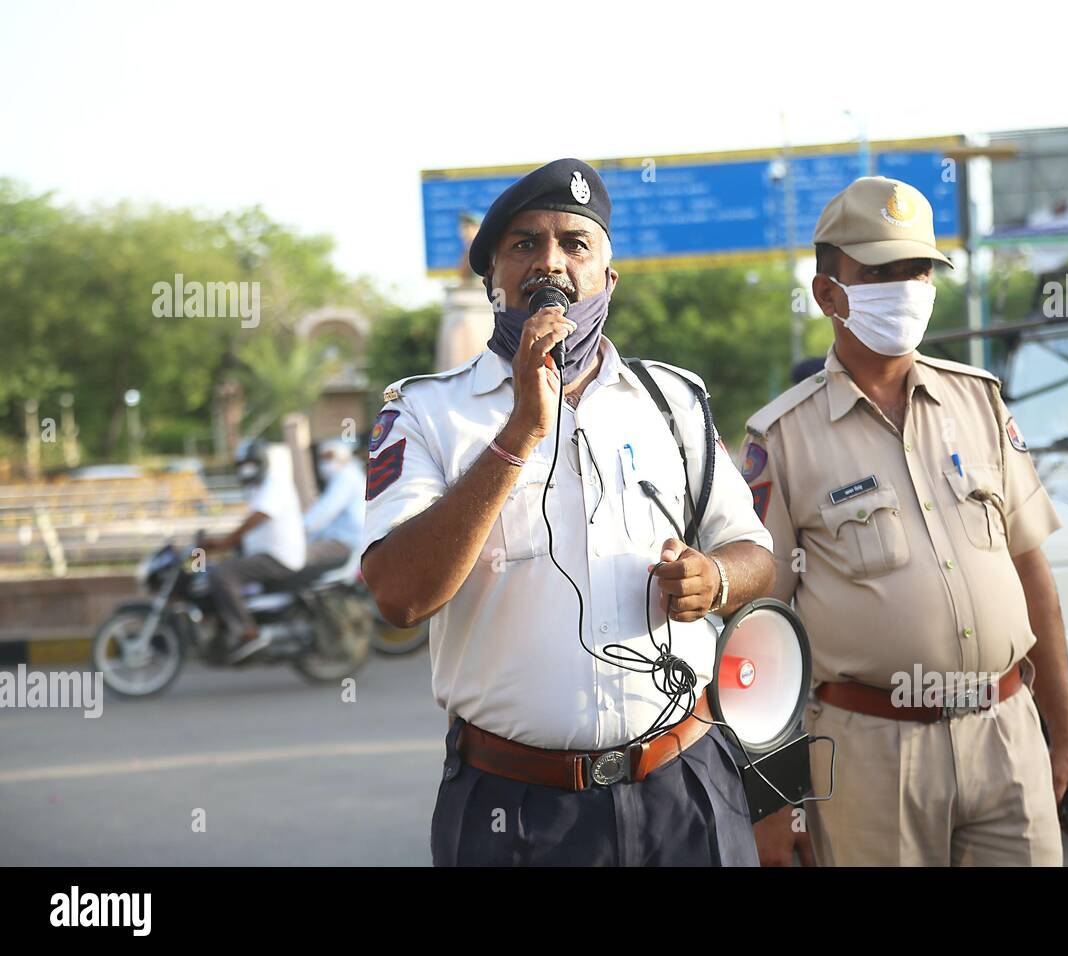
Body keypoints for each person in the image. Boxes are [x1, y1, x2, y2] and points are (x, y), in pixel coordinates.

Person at [361, 158, 776, 867]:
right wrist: (519, 431)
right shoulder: (424, 412)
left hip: (686, 785)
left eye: (575, 244)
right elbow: (400, 596)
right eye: (524, 244)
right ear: (492, 276)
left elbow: (756, 553)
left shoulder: (673, 401)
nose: (549, 261)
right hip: (516, 810)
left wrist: (717, 578)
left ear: (607, 279)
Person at [742, 176, 1068, 866]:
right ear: (827, 293)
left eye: (916, 270)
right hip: (870, 754)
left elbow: (1034, 580)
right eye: (879, 273)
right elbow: (761, 634)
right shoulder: (782, 441)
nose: (904, 289)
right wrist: (772, 800)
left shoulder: (981, 405)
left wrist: (1066, 741)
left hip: (1007, 737)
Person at [203, 439, 306, 658]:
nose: (246, 469)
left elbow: (257, 518)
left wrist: (225, 542)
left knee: (222, 575)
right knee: (215, 569)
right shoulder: (257, 488)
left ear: (262, 463)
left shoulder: (275, 483)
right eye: (242, 465)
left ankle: (248, 632)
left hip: (279, 557)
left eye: (250, 463)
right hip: (263, 554)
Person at [302, 439, 365, 568]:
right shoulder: (345, 475)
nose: (325, 463)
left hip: (346, 541)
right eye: (323, 458)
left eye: (329, 457)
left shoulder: (346, 477)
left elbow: (325, 512)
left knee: (297, 557)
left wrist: (302, 529)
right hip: (341, 538)